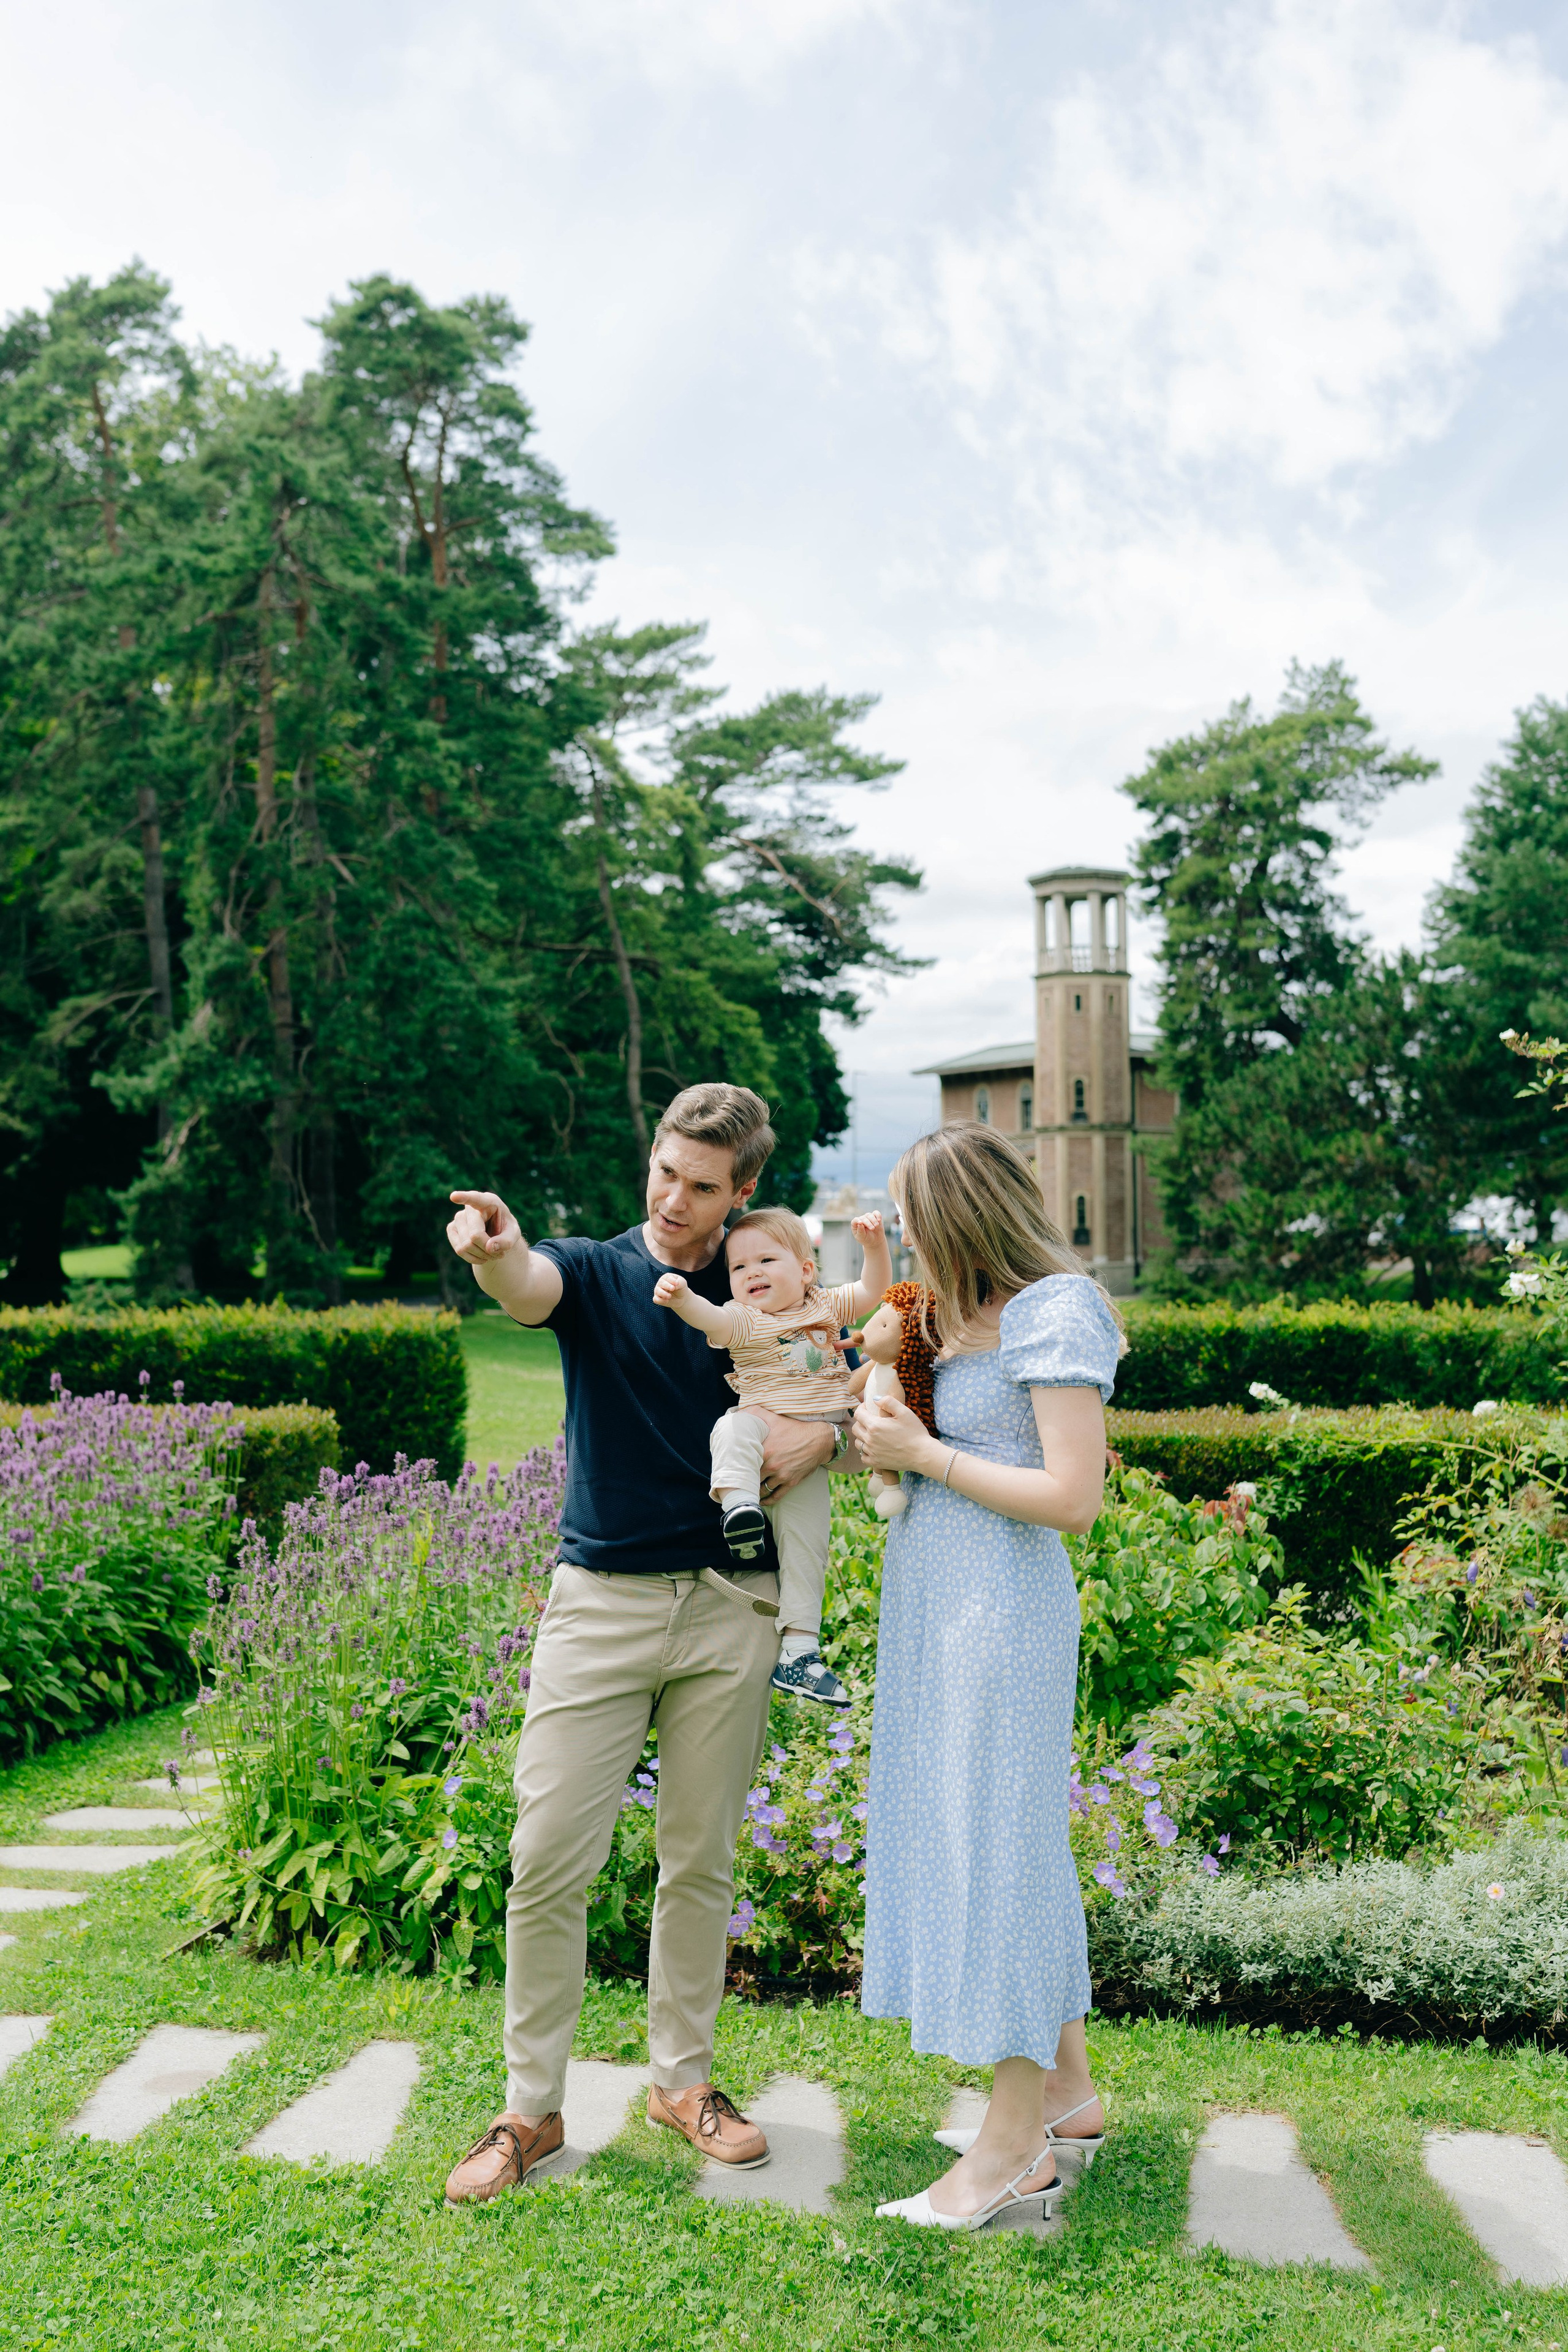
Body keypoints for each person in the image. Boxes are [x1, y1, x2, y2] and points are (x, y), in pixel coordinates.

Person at [440, 1084, 856, 2203]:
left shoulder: (775, 1287)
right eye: (665, 1173)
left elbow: (862, 1388)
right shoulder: (597, 1268)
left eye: (704, 1187)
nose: (675, 1201)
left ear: (746, 1194)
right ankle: (530, 2111)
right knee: (546, 1857)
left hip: (734, 1605)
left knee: (700, 1860)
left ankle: (686, 2083)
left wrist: (815, 1445)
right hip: (602, 1601)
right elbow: (524, 1287)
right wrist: (496, 1248)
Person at [851, 1120, 1123, 2233]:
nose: (902, 1233)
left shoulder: (1055, 1310)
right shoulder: (953, 1317)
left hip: (1002, 1615)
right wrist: (883, 1430)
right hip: (936, 1602)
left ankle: (1014, 2155)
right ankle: (1070, 2095)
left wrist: (926, 1458)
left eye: (913, 1213)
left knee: (999, 1850)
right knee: (1006, 1840)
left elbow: (1072, 1496)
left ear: (958, 1213)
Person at [653, 1202, 891, 1708]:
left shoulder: (824, 1306)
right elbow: (709, 1318)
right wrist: (682, 1299)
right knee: (732, 1428)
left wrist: (874, 1247)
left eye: (766, 1261)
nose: (751, 1273)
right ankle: (739, 1504)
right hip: (764, 1427)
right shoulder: (743, 1319)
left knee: (808, 1550)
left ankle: (800, 1653)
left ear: (806, 1271)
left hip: (820, 1444)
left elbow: (873, 1291)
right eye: (738, 1268)